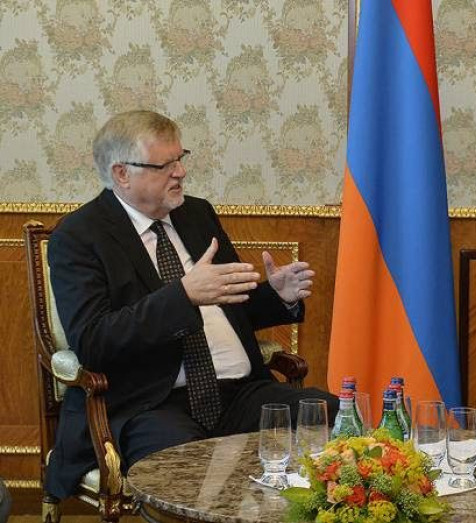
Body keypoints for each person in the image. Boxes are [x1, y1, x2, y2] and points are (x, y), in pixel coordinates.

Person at [45, 110, 338, 500]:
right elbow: (93, 340)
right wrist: (182, 296)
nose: (180, 172)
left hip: (239, 393)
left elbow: (232, 308)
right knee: (183, 468)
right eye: (165, 165)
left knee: (332, 415)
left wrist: (277, 295)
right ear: (122, 174)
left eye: (180, 158)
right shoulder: (80, 236)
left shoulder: (196, 214)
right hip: (151, 404)